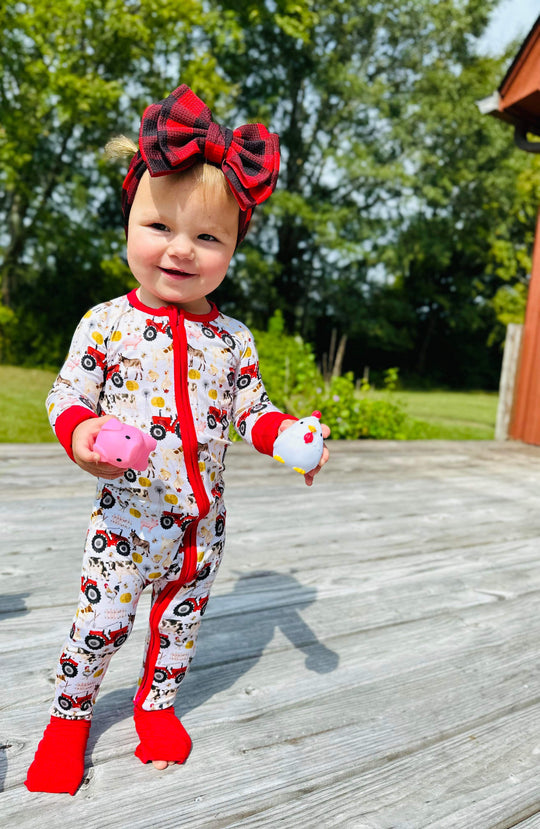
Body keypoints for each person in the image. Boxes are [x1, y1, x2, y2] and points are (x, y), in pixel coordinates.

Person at [25, 83, 330, 795]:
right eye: (160, 226)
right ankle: (69, 717)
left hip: (202, 526)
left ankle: (156, 705)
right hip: (127, 523)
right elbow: (67, 396)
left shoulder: (232, 338)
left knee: (179, 626)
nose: (182, 250)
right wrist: (86, 433)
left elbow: (250, 407)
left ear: (233, 247)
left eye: (209, 237)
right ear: (129, 220)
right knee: (100, 623)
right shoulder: (106, 323)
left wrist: (287, 435)